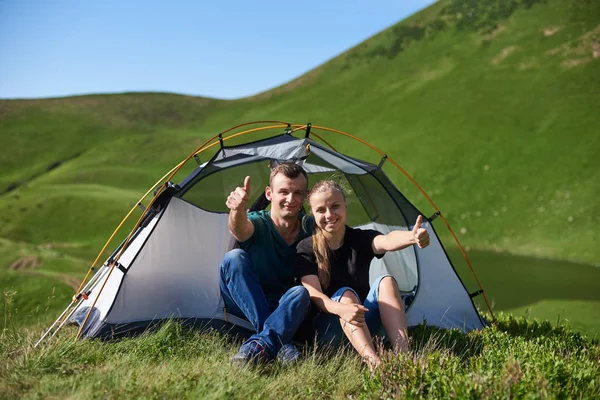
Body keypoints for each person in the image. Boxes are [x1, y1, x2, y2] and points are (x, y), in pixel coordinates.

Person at [294, 180, 430, 369]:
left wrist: (412, 237)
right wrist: (341, 309)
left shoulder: (359, 238)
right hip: (328, 332)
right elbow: (314, 295)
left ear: (345, 207)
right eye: (321, 210)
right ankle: (374, 364)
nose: (329, 215)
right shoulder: (306, 248)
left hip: (362, 325)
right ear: (312, 214)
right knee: (346, 294)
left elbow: (387, 240)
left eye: (335, 206)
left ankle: (403, 358)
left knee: (387, 281)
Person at [220, 162, 313, 366]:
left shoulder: (311, 227)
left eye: (298, 193)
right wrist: (238, 209)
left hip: (285, 306)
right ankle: (282, 345)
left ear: (305, 196)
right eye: (284, 192)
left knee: (301, 293)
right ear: (269, 194)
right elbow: (240, 230)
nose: (290, 199)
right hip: (245, 302)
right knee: (234, 258)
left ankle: (259, 345)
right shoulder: (259, 222)